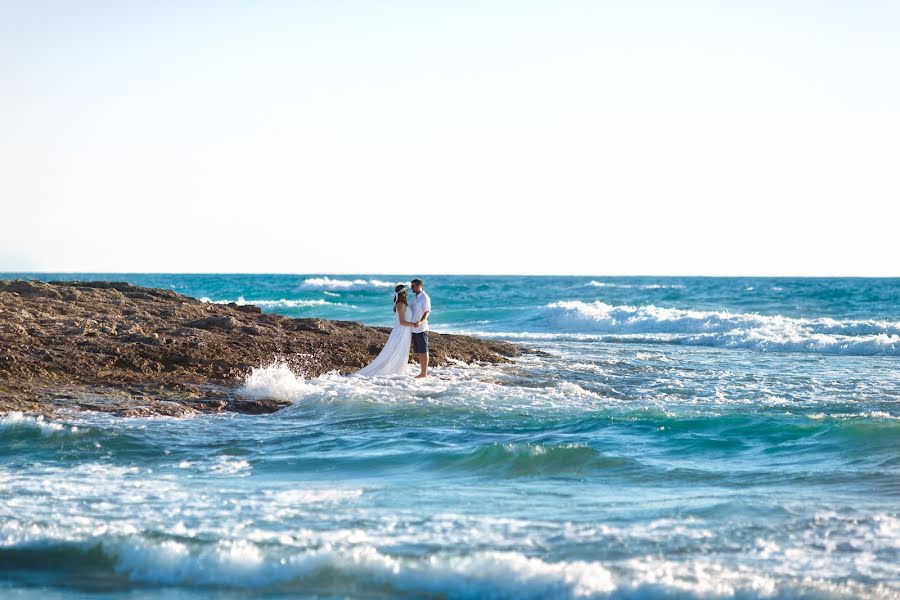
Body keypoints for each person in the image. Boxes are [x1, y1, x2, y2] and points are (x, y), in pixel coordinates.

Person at [354, 284, 418, 377]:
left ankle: (399, 370)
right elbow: (402, 322)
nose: (408, 292)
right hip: (401, 331)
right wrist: (414, 324)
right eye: (406, 291)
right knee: (395, 351)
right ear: (403, 293)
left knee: (402, 350)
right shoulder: (400, 305)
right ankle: (392, 370)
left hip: (406, 332)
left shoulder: (404, 304)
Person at [409, 278, 431, 378]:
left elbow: (427, 311)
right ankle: (422, 372)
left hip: (422, 328)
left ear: (419, 286)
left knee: (423, 350)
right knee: (418, 351)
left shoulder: (425, 297)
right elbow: (408, 308)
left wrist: (421, 321)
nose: (411, 288)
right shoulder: (414, 298)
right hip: (414, 328)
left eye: (413, 286)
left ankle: (424, 373)